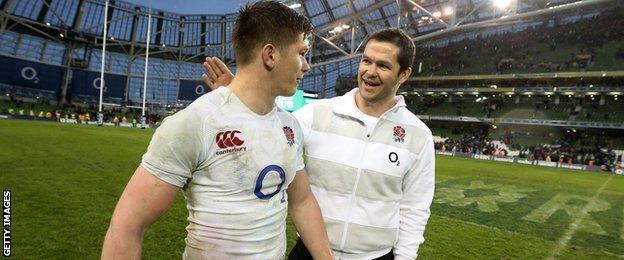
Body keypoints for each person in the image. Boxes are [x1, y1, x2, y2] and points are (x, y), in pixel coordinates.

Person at [102, 2, 332, 259]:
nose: (306, 65)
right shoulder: (196, 123)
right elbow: (127, 226)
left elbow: (301, 201)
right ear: (270, 55)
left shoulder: (289, 126)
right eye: (301, 53)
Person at [203, 28, 435, 260]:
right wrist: (240, 98)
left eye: (383, 66)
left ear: (403, 74)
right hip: (310, 252)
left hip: (375, 257)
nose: (370, 72)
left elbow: (415, 209)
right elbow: (267, 130)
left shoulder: (418, 135)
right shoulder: (316, 114)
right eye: (366, 61)